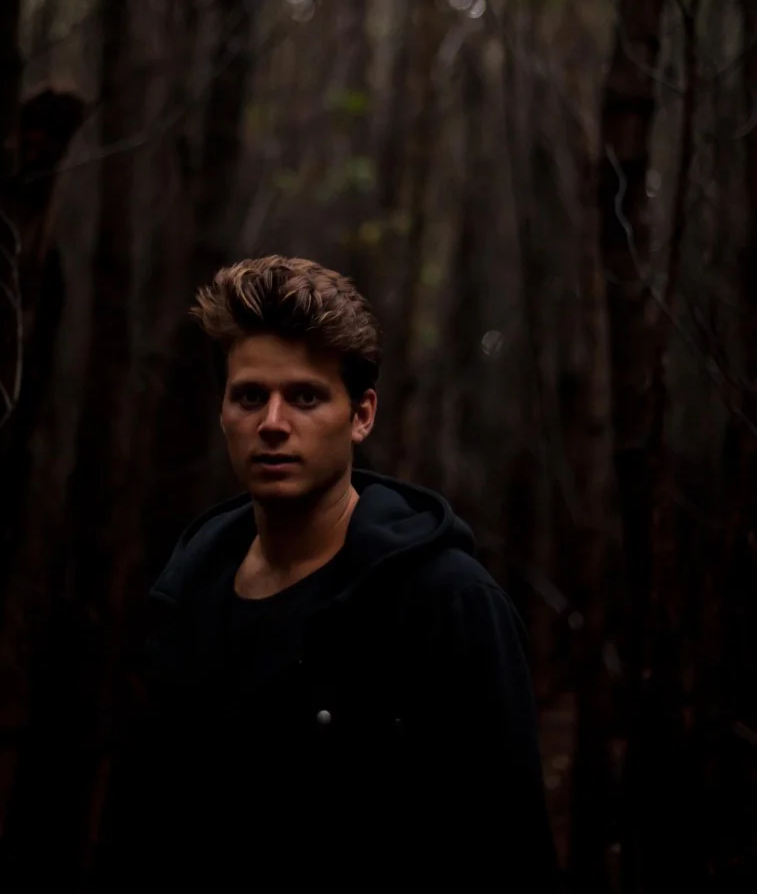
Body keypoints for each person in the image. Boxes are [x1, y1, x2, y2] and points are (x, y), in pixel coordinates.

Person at [97, 256, 560, 889]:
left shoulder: (446, 604)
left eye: (306, 397)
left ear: (361, 415)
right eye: (250, 396)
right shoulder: (186, 597)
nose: (273, 424)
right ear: (223, 411)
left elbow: (510, 856)